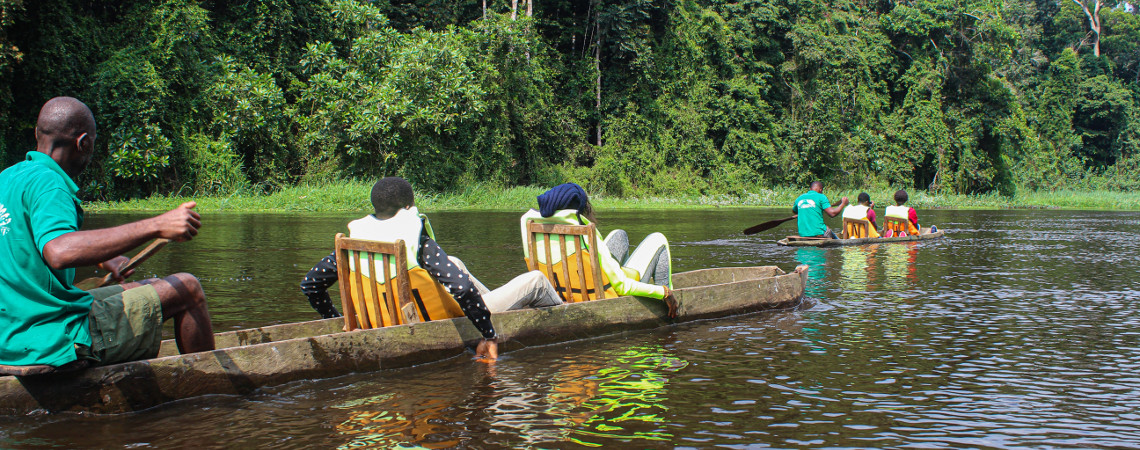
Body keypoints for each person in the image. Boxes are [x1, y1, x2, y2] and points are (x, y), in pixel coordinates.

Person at [0, 97, 213, 370]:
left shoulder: (8, 177)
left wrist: (103, 260)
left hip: (10, 335)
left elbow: (26, 240)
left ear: (37, 134)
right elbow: (58, 250)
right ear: (83, 143)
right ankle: (210, 393)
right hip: (48, 339)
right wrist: (157, 225)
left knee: (149, 284)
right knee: (187, 288)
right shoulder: (50, 184)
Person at [300, 177, 563, 360]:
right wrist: (489, 335)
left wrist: (340, 320)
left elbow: (310, 285)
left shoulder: (352, 245)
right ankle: (569, 315)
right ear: (407, 207)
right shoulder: (416, 242)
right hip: (437, 321)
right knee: (536, 279)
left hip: (376, 322)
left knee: (456, 262)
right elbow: (460, 289)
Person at [519, 183, 679, 317]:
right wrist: (663, 292)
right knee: (658, 239)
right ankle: (669, 304)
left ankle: (619, 272)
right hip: (599, 297)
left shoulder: (532, 229)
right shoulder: (584, 231)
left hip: (563, 295)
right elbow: (622, 287)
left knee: (619, 235)